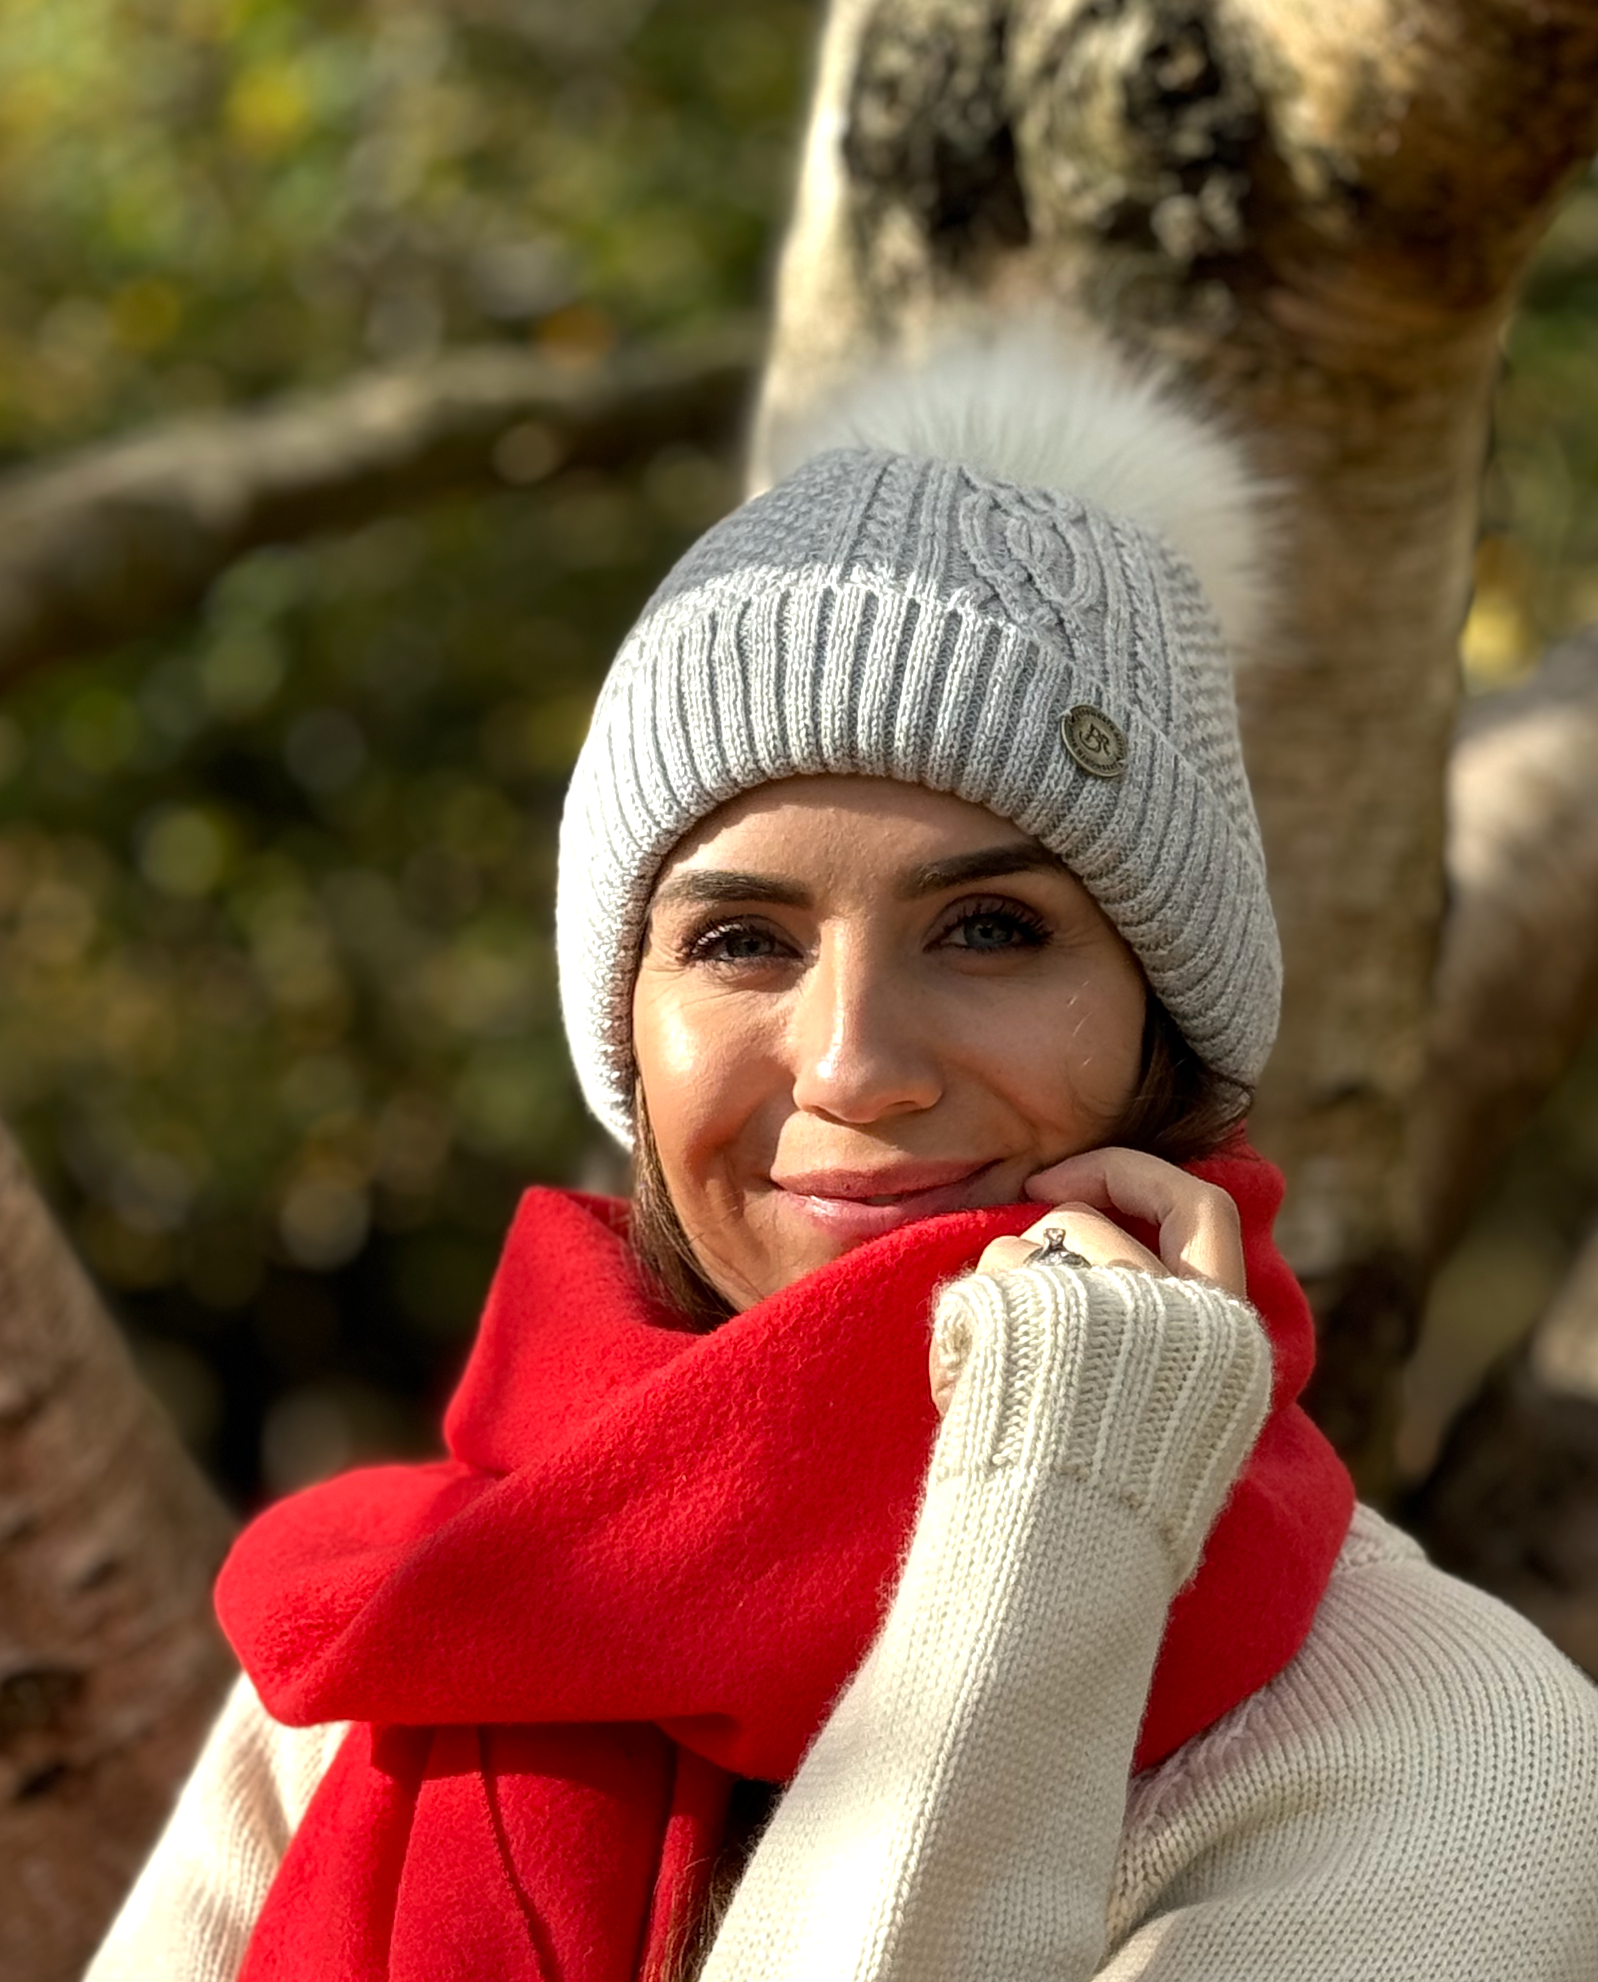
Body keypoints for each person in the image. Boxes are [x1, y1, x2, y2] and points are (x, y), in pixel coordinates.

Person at [87, 321, 1598, 1982]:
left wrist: (1061, 1507)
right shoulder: (387, 1653)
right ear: (628, 1026)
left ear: (1168, 1027)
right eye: (741, 939)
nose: (855, 1064)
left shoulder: (1458, 1751)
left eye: (993, 929)